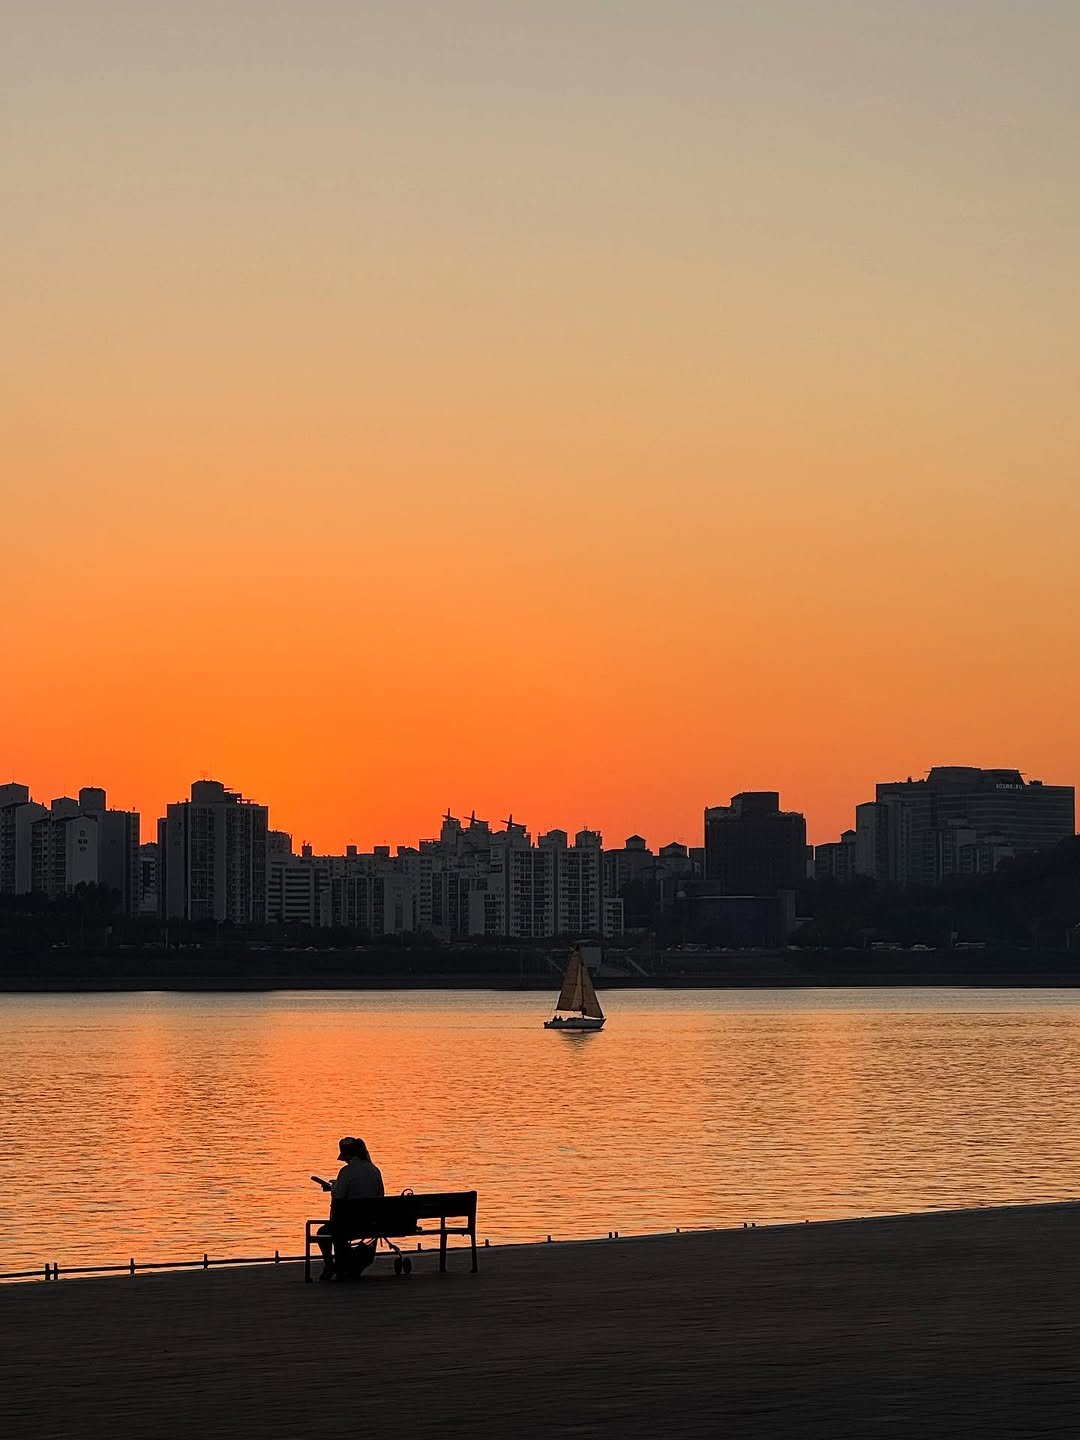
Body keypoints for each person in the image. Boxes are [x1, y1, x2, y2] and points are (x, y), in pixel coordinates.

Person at [315, 1136, 384, 1281]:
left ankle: (330, 1265)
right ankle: (349, 1264)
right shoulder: (374, 1170)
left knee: (322, 1232)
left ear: (348, 1155)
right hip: (371, 1223)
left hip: (348, 1224)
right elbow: (380, 1196)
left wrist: (333, 1188)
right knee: (340, 1227)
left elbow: (339, 1198)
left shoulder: (346, 1172)